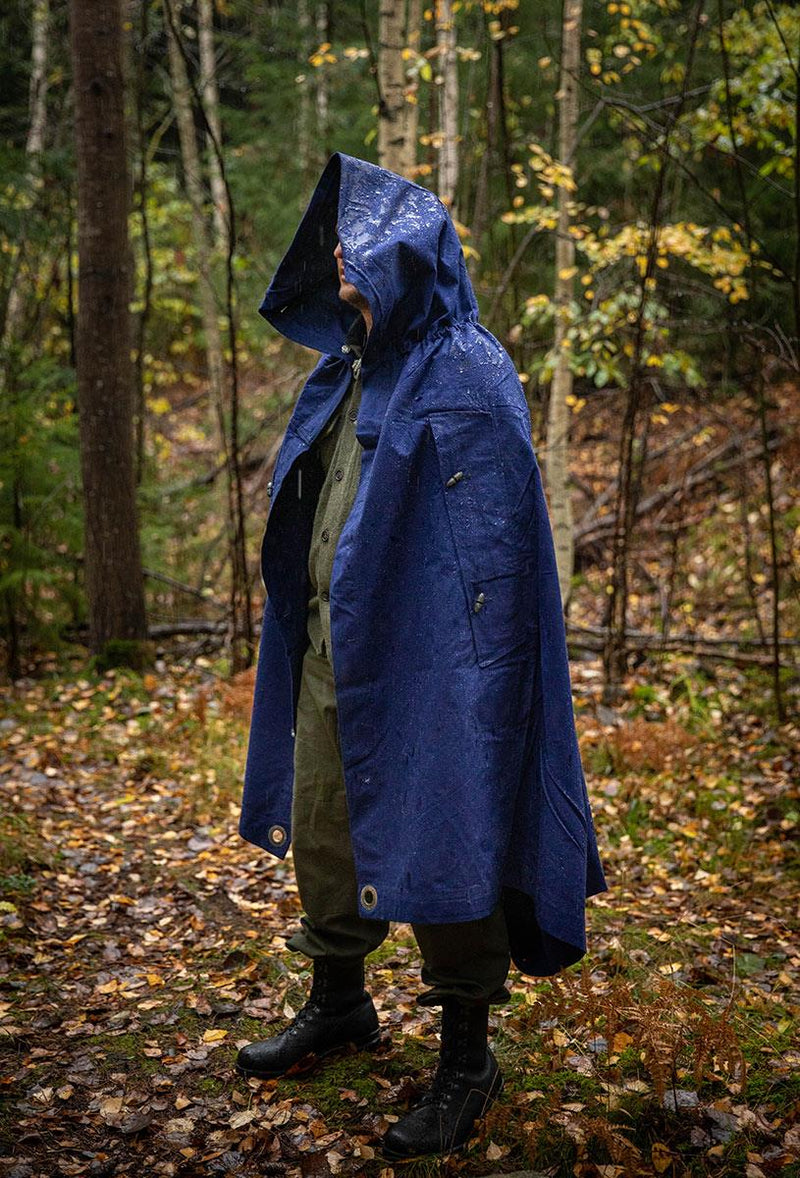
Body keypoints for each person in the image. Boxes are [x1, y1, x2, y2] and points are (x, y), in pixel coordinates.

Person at [237, 152, 608, 1160]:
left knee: (450, 839)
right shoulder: (348, 364)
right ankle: (340, 1002)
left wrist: (467, 684)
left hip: (437, 666)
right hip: (329, 649)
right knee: (323, 825)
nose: (339, 264)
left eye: (355, 247)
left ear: (406, 253)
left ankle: (465, 1055)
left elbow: (492, 551)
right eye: (338, 250)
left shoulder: (467, 372)